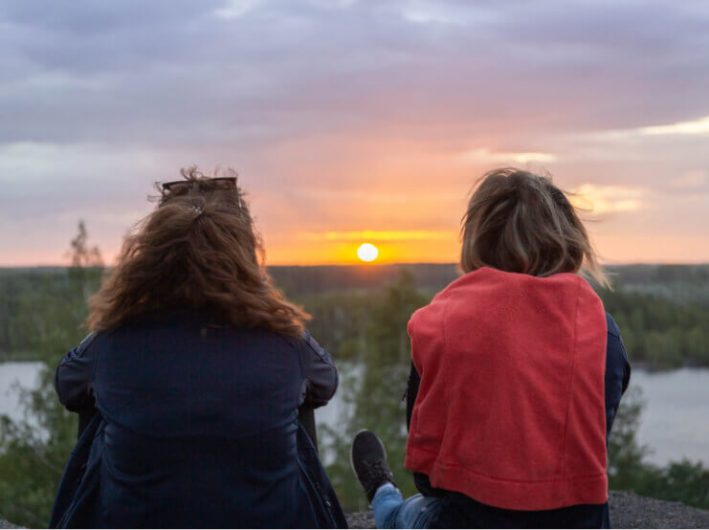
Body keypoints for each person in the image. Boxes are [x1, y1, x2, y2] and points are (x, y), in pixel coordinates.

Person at [51, 168, 347, 529]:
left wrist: (116, 317)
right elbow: (326, 382)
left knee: (98, 405)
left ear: (149, 259)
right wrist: (262, 300)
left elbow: (67, 384)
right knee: (296, 402)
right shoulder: (284, 341)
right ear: (244, 257)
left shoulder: (114, 340)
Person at [351, 168, 631, 528]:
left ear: (477, 240)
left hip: (465, 520)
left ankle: (382, 493)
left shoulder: (440, 326)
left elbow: (429, 477)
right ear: (570, 241)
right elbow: (593, 444)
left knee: (405, 514)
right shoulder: (602, 332)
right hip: (579, 522)